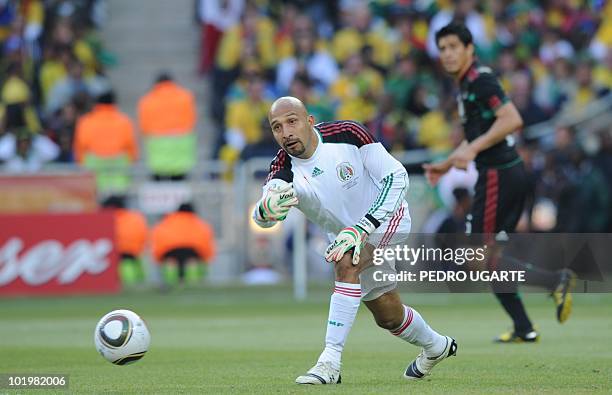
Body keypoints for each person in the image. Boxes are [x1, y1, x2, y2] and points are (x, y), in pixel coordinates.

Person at [252, 96, 457, 384]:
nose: (285, 133)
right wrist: (264, 211)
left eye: (292, 122)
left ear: (309, 121)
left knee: (345, 261)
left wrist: (362, 227)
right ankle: (436, 346)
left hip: (388, 217)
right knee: (388, 315)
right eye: (276, 127)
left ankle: (330, 362)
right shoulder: (282, 169)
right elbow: (265, 211)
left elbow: (397, 177)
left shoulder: (348, 133)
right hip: (347, 233)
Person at [423, 22, 575, 343]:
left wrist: (474, 150)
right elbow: (478, 137)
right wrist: (447, 164)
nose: (447, 54)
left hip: (499, 177)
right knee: (489, 260)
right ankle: (524, 326)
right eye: (442, 48)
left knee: (478, 258)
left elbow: (512, 119)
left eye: (453, 46)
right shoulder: (466, 84)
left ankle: (553, 282)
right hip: (501, 175)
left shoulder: (481, 81)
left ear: (469, 49)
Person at [137, 73, 197, 180]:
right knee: (179, 178)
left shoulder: (147, 100)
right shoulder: (185, 97)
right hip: (181, 141)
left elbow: (144, 126)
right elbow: (191, 120)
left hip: (157, 144)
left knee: (158, 180)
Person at [151, 203, 216, 286]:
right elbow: (207, 243)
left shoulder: (166, 222)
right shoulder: (200, 223)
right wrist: (206, 258)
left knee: (171, 263)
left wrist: (159, 258)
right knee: (193, 263)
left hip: (169, 252)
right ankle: (195, 284)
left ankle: (171, 283)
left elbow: (157, 238)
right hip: (193, 252)